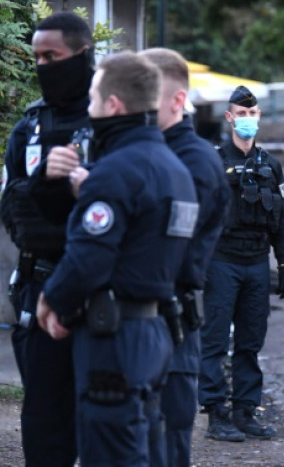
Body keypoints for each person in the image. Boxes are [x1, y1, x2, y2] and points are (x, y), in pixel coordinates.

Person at [34, 51, 198, 465]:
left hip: (115, 339)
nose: (88, 109)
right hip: (156, 332)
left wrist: (52, 297)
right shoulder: (174, 169)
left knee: (110, 454)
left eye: (92, 99)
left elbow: (89, 257)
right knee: (144, 451)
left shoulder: (116, 171)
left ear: (113, 105)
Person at [0, 11, 94, 466]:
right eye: (36, 57)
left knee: (102, 416)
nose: (42, 66)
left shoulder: (114, 120)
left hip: (100, 289)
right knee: (43, 418)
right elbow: (12, 207)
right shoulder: (29, 127)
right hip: (39, 284)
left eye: (51, 56)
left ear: (82, 54)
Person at [140, 48, 230, 466]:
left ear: (176, 100)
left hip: (171, 320)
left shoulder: (194, 160)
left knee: (167, 442)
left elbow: (167, 246)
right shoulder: (147, 150)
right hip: (140, 324)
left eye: (146, 94)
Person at [198, 85, 284, 441]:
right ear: (229, 117)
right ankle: (216, 414)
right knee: (215, 341)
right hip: (221, 260)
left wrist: (283, 264)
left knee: (251, 342)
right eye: (241, 114)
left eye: (253, 114)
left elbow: (283, 217)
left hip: (257, 262)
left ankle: (245, 411)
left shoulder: (270, 164)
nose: (248, 120)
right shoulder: (212, 160)